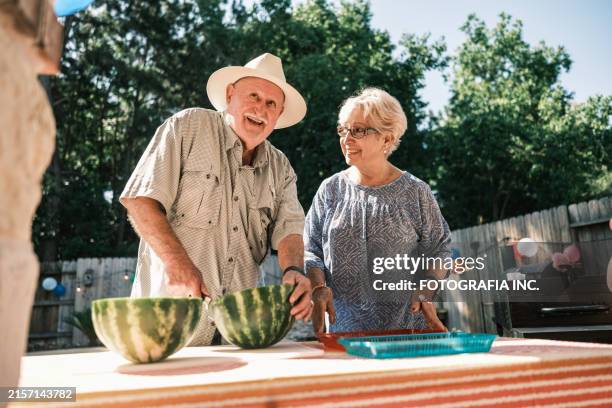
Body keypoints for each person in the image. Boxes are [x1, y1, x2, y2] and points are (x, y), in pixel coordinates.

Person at [120, 53, 312, 346]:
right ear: (230, 95)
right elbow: (140, 200)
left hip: (239, 335)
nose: (260, 108)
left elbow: (290, 230)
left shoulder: (281, 166)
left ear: (279, 114)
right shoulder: (187, 126)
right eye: (254, 96)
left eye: (271, 104)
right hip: (167, 326)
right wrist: (177, 262)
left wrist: (294, 270)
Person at [304, 88, 450, 334]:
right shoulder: (330, 190)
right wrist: (318, 287)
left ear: (387, 139)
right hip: (344, 337)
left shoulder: (415, 192)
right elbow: (310, 250)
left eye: (358, 130)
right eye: (343, 129)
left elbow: (439, 249)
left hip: (407, 334)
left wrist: (427, 287)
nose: (347, 139)